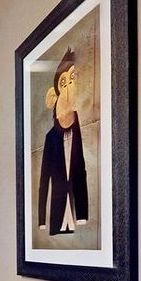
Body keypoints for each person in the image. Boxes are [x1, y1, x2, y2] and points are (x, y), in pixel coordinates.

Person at [38, 48, 88, 235]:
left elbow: (81, 171)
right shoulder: (51, 138)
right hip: (58, 212)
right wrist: (42, 221)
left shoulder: (80, 129)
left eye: (73, 79)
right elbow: (44, 180)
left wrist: (82, 214)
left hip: (75, 211)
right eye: (65, 82)